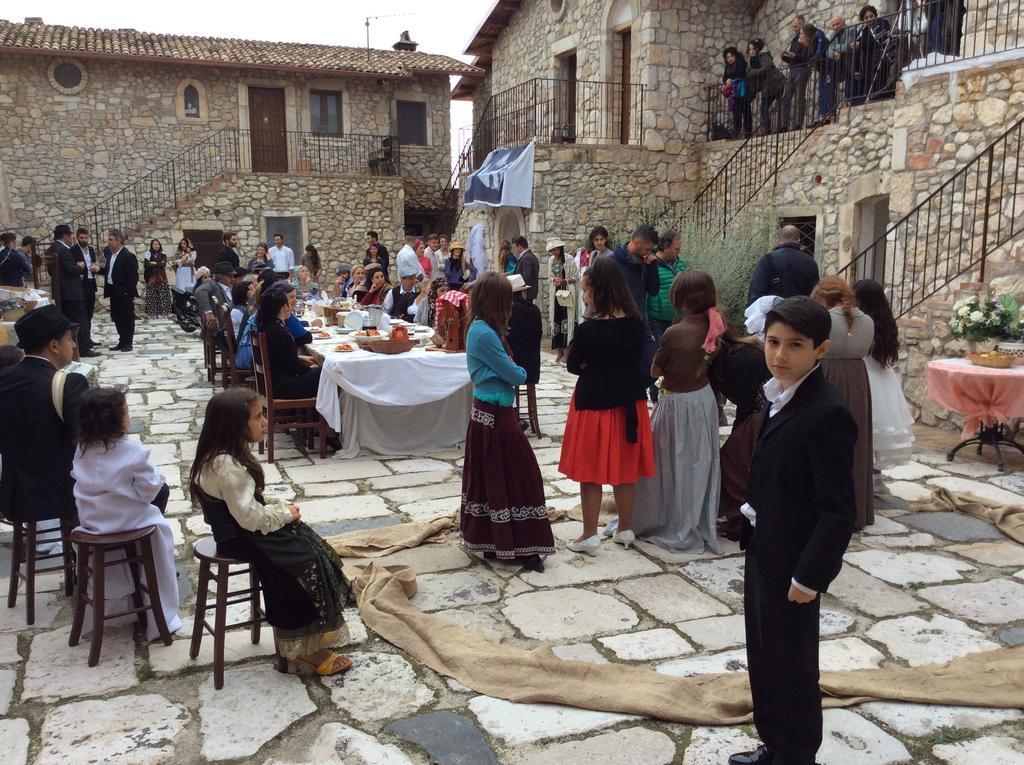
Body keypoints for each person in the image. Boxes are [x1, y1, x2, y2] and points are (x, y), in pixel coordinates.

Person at [729, 296, 856, 765]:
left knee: (793, 662)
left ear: (820, 350)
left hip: (795, 562)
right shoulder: (779, 394)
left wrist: (809, 577)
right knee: (765, 653)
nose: (780, 355)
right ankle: (774, 743)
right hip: (766, 547)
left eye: (794, 346)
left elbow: (838, 510)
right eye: (773, 342)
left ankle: (797, 753)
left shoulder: (826, 413)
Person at [190, 387, 352, 675]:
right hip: (238, 538)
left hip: (241, 531)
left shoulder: (225, 458)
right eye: (257, 417)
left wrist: (281, 509)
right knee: (300, 563)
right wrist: (283, 514)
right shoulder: (226, 467)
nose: (264, 421)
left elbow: (249, 501)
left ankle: (311, 638)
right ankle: (304, 650)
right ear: (235, 426)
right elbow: (250, 518)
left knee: (309, 541)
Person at [608, 270, 725, 554]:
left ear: (680, 299)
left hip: (676, 403)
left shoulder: (675, 333)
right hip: (703, 399)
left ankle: (663, 516)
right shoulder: (716, 327)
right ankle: (691, 518)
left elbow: (655, 370)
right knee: (697, 463)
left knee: (662, 461)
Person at [558, 258, 655, 555]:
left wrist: (592, 363)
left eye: (587, 290)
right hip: (629, 403)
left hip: (593, 405)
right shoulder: (637, 324)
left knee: (590, 471)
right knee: (625, 471)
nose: (585, 295)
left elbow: (573, 364)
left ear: (598, 290)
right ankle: (625, 528)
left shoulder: (589, 330)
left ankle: (589, 533)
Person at [461, 272, 554, 571]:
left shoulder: (484, 329)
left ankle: (497, 540)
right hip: (494, 415)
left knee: (496, 478)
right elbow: (516, 374)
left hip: (492, 412)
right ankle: (520, 544)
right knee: (518, 475)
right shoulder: (484, 333)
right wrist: (516, 370)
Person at [71, 387, 179, 640]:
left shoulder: (82, 449)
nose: (129, 417)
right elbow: (150, 490)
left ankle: (123, 604)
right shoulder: (133, 452)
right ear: (116, 419)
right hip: (129, 522)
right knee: (160, 532)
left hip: (91, 523)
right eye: (127, 412)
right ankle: (159, 614)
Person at [0, 306, 89, 526]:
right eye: (70, 339)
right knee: (155, 490)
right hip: (65, 495)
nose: (74, 345)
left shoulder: (3, 378)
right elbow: (86, 439)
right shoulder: (69, 383)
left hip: (15, 496)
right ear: (54, 345)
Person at [811, 276, 875, 530]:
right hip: (859, 380)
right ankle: (856, 507)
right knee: (855, 444)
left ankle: (824, 508)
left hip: (828, 377)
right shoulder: (868, 321)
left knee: (824, 444)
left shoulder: (825, 320)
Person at [710, 325, 772, 541]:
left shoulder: (738, 360)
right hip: (763, 413)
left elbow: (748, 403)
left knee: (732, 460)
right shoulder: (737, 353)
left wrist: (738, 436)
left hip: (764, 415)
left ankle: (740, 519)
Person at [853, 279, 915, 470]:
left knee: (866, 427)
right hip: (883, 378)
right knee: (879, 431)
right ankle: (875, 475)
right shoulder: (886, 322)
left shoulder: (861, 323)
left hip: (864, 376)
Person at [611, 225, 660, 396]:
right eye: (647, 249)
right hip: (616, 323)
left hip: (639, 320)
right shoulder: (612, 262)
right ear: (637, 243)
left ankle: (634, 390)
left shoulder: (645, 261)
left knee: (651, 360)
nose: (649, 253)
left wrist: (652, 266)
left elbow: (654, 290)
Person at [255, 287, 321, 399]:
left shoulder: (266, 326)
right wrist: (312, 369)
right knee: (327, 371)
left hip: (274, 382)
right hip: (285, 386)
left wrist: (299, 358)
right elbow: (295, 367)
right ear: (285, 307)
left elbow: (281, 357)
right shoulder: (280, 333)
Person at [236, 283, 311, 371]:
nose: (294, 301)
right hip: (250, 359)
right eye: (291, 297)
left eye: (295, 297)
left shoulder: (265, 319)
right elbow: (305, 338)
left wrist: (298, 358)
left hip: (250, 357)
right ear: (282, 304)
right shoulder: (278, 330)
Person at [646, 229, 684, 401]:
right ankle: (655, 395)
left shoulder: (680, 264)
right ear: (666, 246)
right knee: (660, 357)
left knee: (676, 357)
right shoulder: (651, 265)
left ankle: (672, 390)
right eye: (676, 249)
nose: (679, 252)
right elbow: (646, 294)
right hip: (657, 320)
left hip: (678, 319)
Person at [746, 225, 820, 306]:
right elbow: (815, 294)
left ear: (778, 241)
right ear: (798, 241)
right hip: (801, 313)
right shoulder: (810, 262)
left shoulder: (767, 260)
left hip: (774, 314)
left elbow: (756, 291)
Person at [51, 224, 90, 353]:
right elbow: (70, 269)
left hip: (62, 291)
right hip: (71, 292)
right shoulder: (63, 250)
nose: (71, 239)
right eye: (70, 236)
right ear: (64, 236)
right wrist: (80, 266)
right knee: (80, 319)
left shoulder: (52, 248)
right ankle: (83, 348)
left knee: (70, 320)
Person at [101, 229, 139, 352]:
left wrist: (126, 291)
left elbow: (133, 277)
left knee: (127, 317)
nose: (109, 242)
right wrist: (99, 270)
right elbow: (109, 272)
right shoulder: (111, 256)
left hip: (123, 292)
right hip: (113, 291)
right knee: (117, 316)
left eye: (111, 240)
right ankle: (122, 340)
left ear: (119, 241)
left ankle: (128, 342)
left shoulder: (128, 256)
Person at [850, 5, 893, 104]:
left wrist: (861, 44)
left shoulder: (882, 23)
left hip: (882, 57)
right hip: (868, 62)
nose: (869, 19)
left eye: (871, 16)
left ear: (875, 16)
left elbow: (878, 39)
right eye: (866, 17)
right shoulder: (863, 31)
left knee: (881, 80)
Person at [506, 273, 542, 393]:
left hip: (512, 368)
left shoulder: (507, 310)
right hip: (532, 368)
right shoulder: (535, 310)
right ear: (523, 293)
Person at [546, 238, 579, 364]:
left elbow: (575, 276)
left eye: (557, 249)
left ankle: (567, 354)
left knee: (567, 322)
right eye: (553, 249)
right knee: (557, 321)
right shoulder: (551, 261)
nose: (555, 251)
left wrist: (564, 281)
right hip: (555, 295)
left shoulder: (569, 259)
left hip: (567, 295)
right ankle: (559, 353)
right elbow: (550, 276)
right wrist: (554, 280)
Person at [70, 227, 101, 355]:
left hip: (90, 283)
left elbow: (94, 263)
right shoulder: (73, 251)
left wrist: (96, 267)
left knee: (89, 313)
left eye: (86, 238)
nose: (84, 240)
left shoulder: (91, 250)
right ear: (77, 238)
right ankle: (83, 342)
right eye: (81, 238)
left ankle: (87, 339)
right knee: (81, 315)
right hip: (80, 284)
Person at [745, 38, 787, 133]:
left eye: (753, 49)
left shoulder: (763, 56)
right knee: (763, 107)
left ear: (757, 49)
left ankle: (782, 127)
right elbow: (753, 75)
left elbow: (765, 69)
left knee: (781, 105)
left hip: (777, 83)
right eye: (750, 49)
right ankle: (767, 128)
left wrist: (752, 72)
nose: (751, 51)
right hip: (767, 87)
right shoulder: (752, 62)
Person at [779, 16, 812, 131]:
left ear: (802, 25)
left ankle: (798, 124)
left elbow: (807, 57)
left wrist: (795, 56)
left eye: (796, 26)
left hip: (802, 69)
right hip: (792, 69)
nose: (794, 28)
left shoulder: (806, 37)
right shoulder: (794, 40)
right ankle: (784, 125)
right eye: (793, 26)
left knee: (799, 97)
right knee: (785, 97)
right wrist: (784, 57)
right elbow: (793, 58)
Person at [824, 15, 857, 117]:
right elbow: (827, 51)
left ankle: (852, 107)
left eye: (837, 24)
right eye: (833, 25)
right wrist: (833, 53)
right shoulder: (833, 34)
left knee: (850, 87)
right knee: (829, 85)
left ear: (843, 22)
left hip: (851, 63)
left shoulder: (850, 30)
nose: (835, 27)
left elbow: (846, 47)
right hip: (839, 64)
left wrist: (834, 48)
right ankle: (832, 111)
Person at [194, 262, 235, 327]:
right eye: (230, 276)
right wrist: (208, 312)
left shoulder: (231, 287)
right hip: (219, 329)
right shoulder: (213, 285)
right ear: (221, 276)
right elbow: (200, 291)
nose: (232, 278)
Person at [723, 46, 752, 138]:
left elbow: (741, 73)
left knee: (746, 111)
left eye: (731, 56)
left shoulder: (741, 62)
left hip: (743, 89)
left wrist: (731, 79)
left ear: (735, 56)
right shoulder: (727, 67)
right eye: (727, 57)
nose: (729, 59)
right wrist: (726, 80)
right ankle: (737, 130)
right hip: (734, 91)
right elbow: (724, 77)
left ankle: (748, 132)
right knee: (736, 112)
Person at [143, 239, 172, 318]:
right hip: (152, 277)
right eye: (154, 244)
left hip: (161, 277)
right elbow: (146, 264)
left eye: (158, 244)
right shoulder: (148, 253)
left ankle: (163, 313)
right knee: (152, 295)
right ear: (152, 245)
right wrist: (159, 264)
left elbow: (164, 264)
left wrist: (154, 263)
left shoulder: (163, 254)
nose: (156, 246)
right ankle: (153, 313)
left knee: (163, 295)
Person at [511, 236, 539, 302]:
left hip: (524, 294)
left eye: (515, 247)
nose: (515, 249)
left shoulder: (527, 258)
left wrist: (523, 291)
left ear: (520, 246)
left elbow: (526, 277)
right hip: (524, 293)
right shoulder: (528, 256)